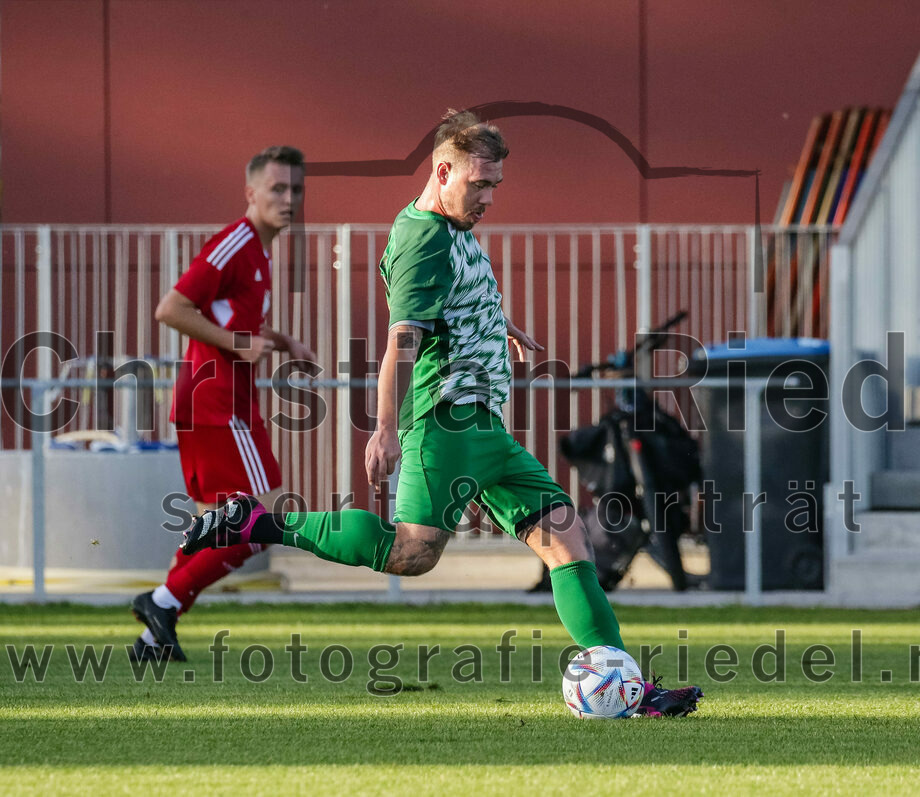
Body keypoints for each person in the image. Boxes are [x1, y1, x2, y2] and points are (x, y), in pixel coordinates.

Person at [181, 111, 701, 717]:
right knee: (412, 554)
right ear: (443, 170)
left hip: (485, 428)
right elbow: (403, 338)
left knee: (567, 540)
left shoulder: (454, 230)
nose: (487, 197)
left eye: (495, 186)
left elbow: (452, 298)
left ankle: (627, 689)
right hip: (445, 422)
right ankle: (257, 523)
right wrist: (383, 429)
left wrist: (497, 324)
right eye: (479, 184)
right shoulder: (423, 237)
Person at [129, 146, 314, 663]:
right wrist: (237, 345)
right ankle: (162, 602)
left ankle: (153, 639)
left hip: (215, 400)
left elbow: (233, 318)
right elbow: (171, 308)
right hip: (218, 402)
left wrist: (278, 339)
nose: (289, 198)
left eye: (296, 189)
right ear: (250, 193)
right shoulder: (236, 241)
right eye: (278, 188)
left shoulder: (259, 250)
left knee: (214, 526)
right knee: (265, 517)